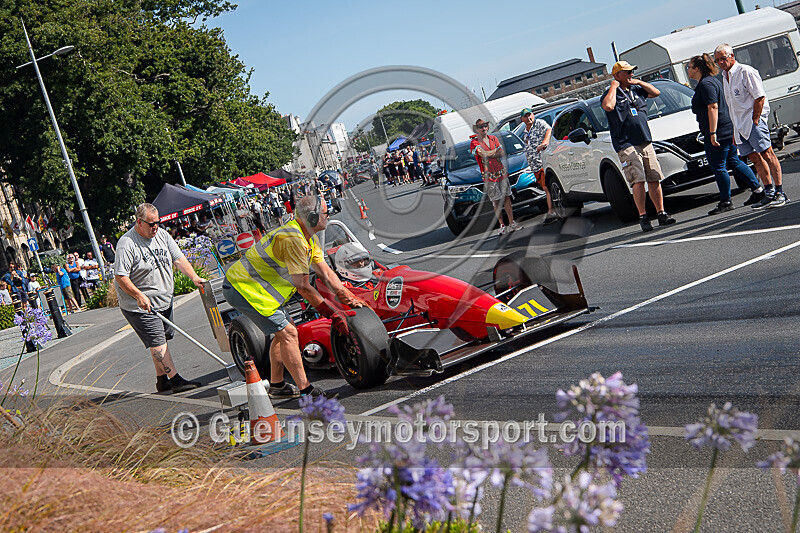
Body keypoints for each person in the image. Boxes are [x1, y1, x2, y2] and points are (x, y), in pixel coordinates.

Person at [222, 195, 367, 399]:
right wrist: (333, 315)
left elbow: (325, 273)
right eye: (326, 213)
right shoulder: (294, 240)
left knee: (284, 331)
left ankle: (277, 385)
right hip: (242, 288)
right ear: (314, 218)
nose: (330, 215)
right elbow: (303, 287)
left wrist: (349, 298)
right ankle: (307, 390)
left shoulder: (307, 236)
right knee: (289, 333)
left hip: (257, 290)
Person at [114, 203, 206, 394]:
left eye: (158, 222)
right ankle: (176, 381)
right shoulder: (127, 243)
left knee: (162, 340)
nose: (155, 227)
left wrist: (194, 277)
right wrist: (139, 295)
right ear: (139, 222)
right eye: (151, 224)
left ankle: (161, 380)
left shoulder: (162, 235)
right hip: (139, 305)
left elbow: (178, 258)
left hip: (163, 299)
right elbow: (121, 277)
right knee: (157, 342)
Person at [601, 61, 677, 232]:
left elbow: (656, 92)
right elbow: (608, 106)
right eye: (627, 73)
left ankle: (661, 213)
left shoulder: (636, 89)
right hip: (626, 144)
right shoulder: (611, 94)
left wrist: (640, 82)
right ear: (617, 76)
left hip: (644, 140)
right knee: (638, 179)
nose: (630, 75)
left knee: (654, 176)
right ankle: (643, 215)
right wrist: (613, 87)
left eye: (631, 72)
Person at [687, 54, 764, 215]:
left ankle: (726, 201)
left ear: (696, 69)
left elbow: (713, 107)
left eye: (689, 66)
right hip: (726, 128)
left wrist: (712, 133)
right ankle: (757, 190)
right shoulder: (712, 81)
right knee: (733, 161)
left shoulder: (707, 84)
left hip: (719, 130)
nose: (688, 69)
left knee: (718, 165)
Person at [715, 43, 786, 208]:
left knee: (767, 154)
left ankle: (780, 191)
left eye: (723, 59)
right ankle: (768, 191)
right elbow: (732, 106)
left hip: (752, 121)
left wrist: (755, 120)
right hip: (740, 125)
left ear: (732, 56)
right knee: (754, 158)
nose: (720, 63)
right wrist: (735, 130)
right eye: (717, 60)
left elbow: (759, 97)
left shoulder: (745, 71)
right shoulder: (725, 77)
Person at [469, 118, 521, 235]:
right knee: (496, 201)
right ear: (477, 130)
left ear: (487, 127)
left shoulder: (494, 138)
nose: (483, 128)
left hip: (501, 172)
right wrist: (493, 152)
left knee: (507, 197)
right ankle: (502, 225)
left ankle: (512, 222)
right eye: (480, 127)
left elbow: (502, 153)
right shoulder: (474, 142)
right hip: (488, 176)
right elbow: (481, 154)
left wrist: (488, 154)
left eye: (485, 126)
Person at [520, 107, 558, 225]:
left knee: (547, 187)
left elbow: (549, 130)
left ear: (533, 115)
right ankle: (554, 210)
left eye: (530, 114)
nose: (529, 117)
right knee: (546, 188)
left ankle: (552, 212)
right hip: (535, 165)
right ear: (522, 119)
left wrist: (544, 143)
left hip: (543, 162)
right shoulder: (525, 131)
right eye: (526, 116)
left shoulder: (539, 123)